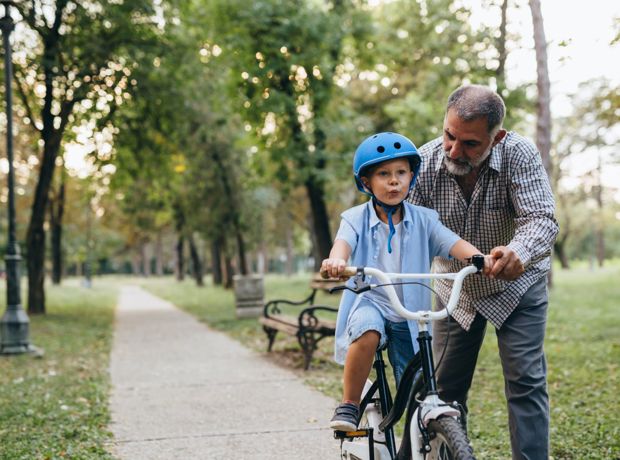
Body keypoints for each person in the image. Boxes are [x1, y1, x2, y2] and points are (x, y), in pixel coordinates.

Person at [408, 84, 559, 460]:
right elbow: (408, 231)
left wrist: (517, 252)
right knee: (443, 389)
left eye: (470, 144)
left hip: (517, 286)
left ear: (497, 136)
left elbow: (541, 217)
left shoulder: (519, 154)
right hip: (455, 289)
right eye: (449, 135)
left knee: (526, 382)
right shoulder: (424, 163)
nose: (454, 151)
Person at [322, 131, 494, 431]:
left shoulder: (425, 218)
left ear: (412, 177)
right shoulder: (355, 218)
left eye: (401, 173)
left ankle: (422, 436)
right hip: (370, 301)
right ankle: (349, 404)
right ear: (366, 182)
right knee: (368, 331)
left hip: (408, 312)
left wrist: (480, 258)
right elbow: (343, 244)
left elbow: (452, 242)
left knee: (414, 385)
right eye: (384, 174)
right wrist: (337, 260)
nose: (394, 181)